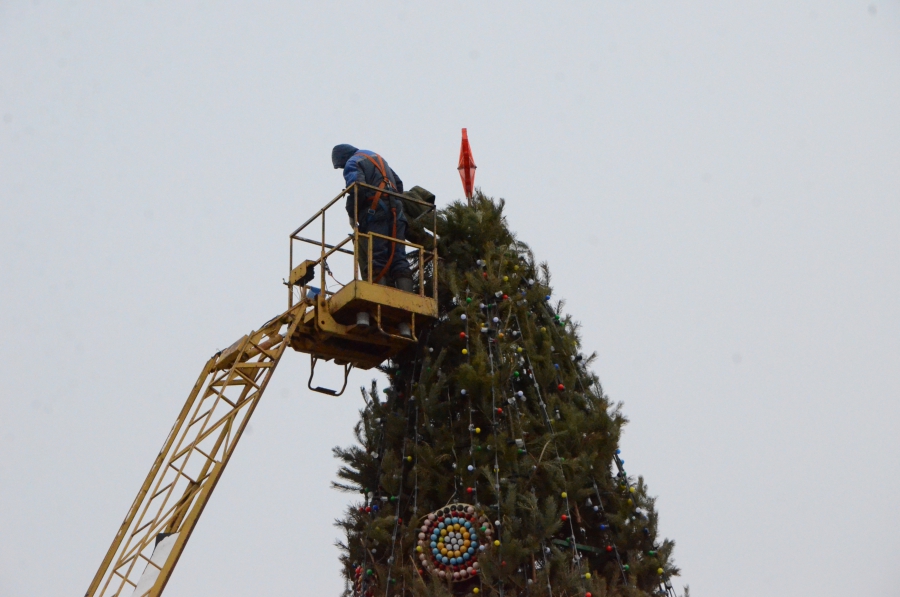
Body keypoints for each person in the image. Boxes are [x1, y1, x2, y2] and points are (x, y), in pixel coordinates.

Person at [332, 144, 414, 293]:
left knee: (377, 257)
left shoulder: (352, 162)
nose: (342, 168)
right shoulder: (379, 159)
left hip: (376, 214)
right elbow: (398, 184)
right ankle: (408, 297)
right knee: (399, 257)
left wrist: (352, 213)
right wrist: (392, 203)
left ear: (343, 158)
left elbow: (358, 188)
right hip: (397, 213)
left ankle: (378, 296)